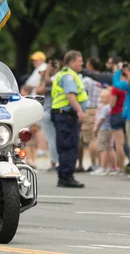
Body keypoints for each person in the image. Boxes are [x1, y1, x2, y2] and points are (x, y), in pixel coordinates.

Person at [51, 50, 87, 188]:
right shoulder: (68, 76)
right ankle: (66, 176)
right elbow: (70, 95)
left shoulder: (64, 74)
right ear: (71, 62)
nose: (82, 63)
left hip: (63, 115)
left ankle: (65, 175)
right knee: (69, 145)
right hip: (66, 115)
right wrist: (80, 111)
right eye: (80, 61)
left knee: (67, 145)